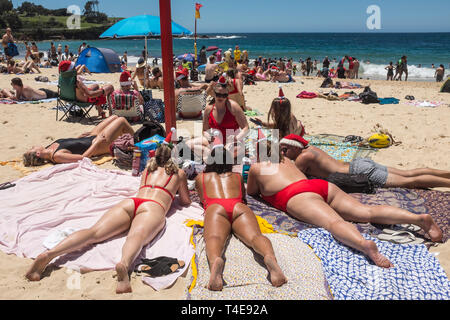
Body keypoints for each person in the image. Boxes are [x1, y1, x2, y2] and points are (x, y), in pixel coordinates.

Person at [247, 139, 443, 269]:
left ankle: (364, 245)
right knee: (367, 211)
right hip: (318, 185)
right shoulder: (288, 161)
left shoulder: (257, 168)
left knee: (334, 223)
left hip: (296, 195)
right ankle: (418, 219)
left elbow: (252, 192)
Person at [25, 143, 191, 294]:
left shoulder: (148, 170)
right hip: (153, 207)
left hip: (132, 203)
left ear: (155, 157)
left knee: (94, 232)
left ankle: (49, 254)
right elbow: (185, 201)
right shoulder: (179, 173)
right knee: (136, 237)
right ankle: (124, 265)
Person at [195, 143, 287, 291]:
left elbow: (202, 199)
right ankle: (269, 257)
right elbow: (242, 197)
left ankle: (216, 263)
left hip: (216, 208)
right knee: (255, 237)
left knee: (214, 238)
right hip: (239, 207)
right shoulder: (237, 177)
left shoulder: (201, 178)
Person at [279, 134, 450, 190]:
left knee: (409, 182)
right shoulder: (310, 149)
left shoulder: (302, 158)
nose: (283, 153)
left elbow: (296, 178)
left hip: (359, 172)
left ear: (295, 148)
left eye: (285, 149)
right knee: (409, 173)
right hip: (359, 164)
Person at [23, 115, 134, 167]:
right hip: (98, 144)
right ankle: (138, 141)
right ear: (38, 153)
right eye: (32, 148)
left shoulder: (48, 147)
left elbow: (71, 145)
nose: (33, 146)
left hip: (89, 138)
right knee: (121, 121)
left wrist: (78, 138)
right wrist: (97, 142)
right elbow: (83, 158)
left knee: (114, 117)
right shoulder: (57, 156)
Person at [185, 79, 249, 162]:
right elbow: (204, 130)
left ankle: (209, 156)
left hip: (232, 143)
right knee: (187, 144)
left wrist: (236, 138)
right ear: (214, 93)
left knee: (223, 155)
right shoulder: (209, 109)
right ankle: (210, 155)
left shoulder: (234, 107)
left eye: (224, 95)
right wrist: (209, 137)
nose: (221, 97)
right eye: (218, 94)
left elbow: (246, 128)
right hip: (215, 141)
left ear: (227, 95)